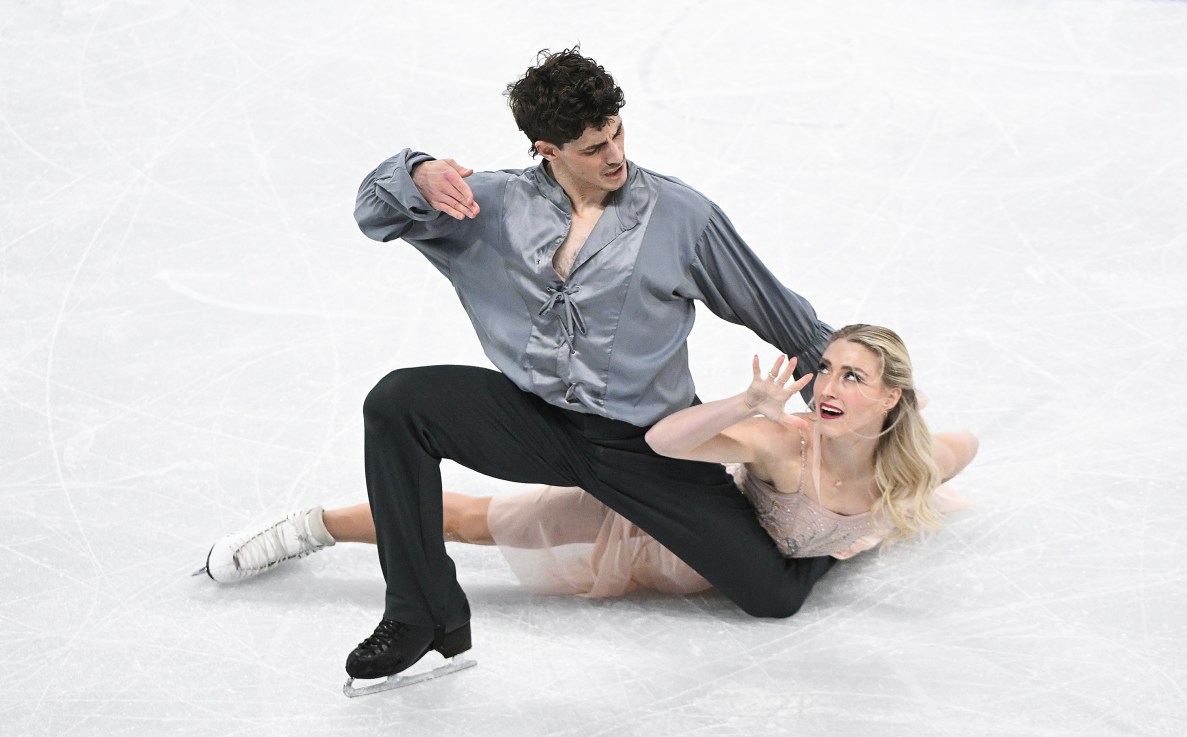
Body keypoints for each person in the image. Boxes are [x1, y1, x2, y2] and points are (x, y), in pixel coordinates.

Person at [230, 45, 842, 685]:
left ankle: (847, 537)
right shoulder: (487, 206)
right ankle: (422, 614)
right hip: (535, 423)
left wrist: (862, 408)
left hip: (651, 444)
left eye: (617, 133)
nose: (614, 156)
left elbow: (781, 316)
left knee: (773, 595)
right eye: (591, 147)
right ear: (546, 150)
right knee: (399, 403)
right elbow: (373, 214)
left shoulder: (682, 218)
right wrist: (416, 172)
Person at [198, 328, 977, 645]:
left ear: (891, 397)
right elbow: (665, 440)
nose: (829, 388)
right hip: (662, 524)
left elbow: (962, 445)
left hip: (739, 565)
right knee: (473, 519)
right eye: (828, 370)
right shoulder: (786, 441)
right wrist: (745, 406)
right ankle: (313, 526)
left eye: (854, 377)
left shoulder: (909, 462)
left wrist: (905, 457)